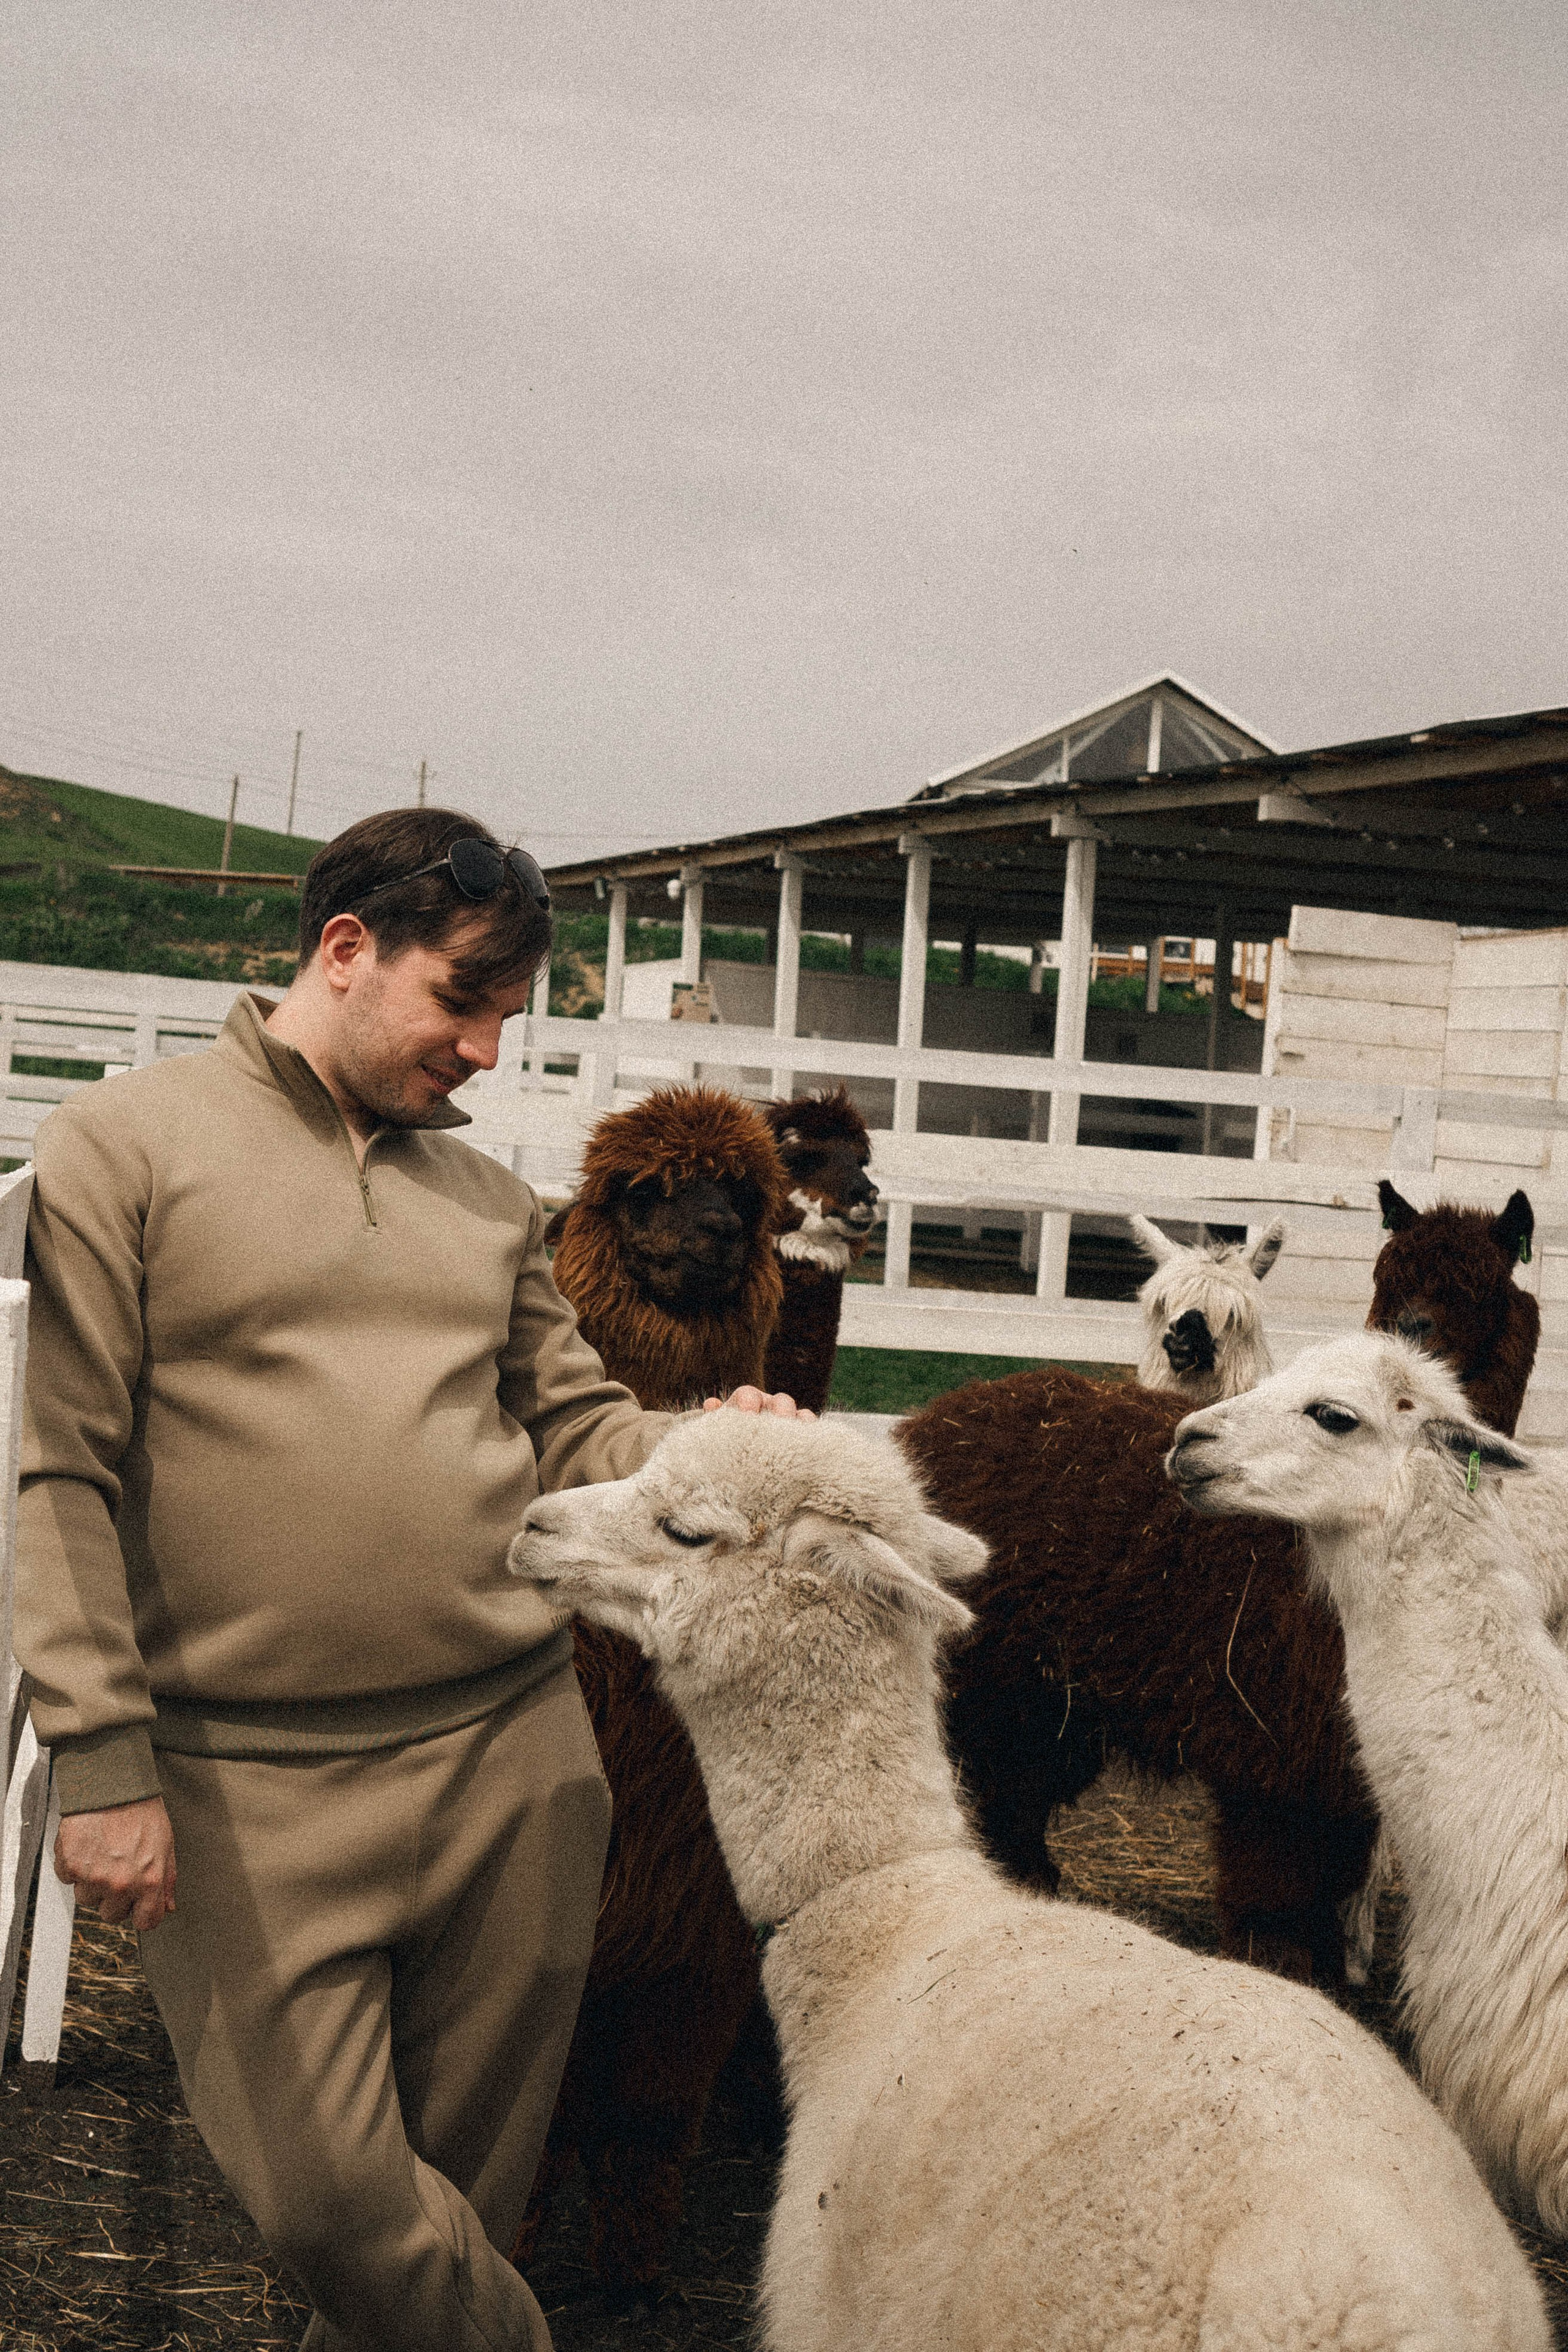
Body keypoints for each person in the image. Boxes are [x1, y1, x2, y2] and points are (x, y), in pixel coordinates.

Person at [13, 806, 809, 2352]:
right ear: (344, 950)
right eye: (462, 1000)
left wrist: (707, 1447)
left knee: (446, 2210)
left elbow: (580, 1428)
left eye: (506, 1018)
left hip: (513, 1765)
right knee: (337, 2215)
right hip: (242, 1780)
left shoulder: (489, 1210)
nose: (487, 1054)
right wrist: (101, 1760)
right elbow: (61, 1469)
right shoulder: (121, 1148)